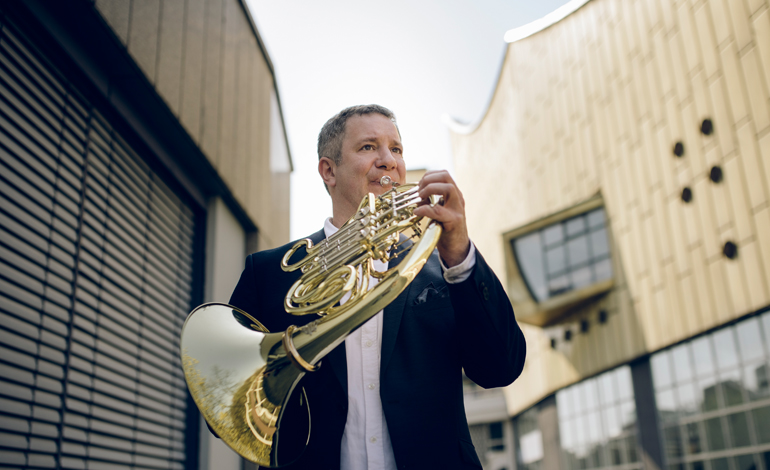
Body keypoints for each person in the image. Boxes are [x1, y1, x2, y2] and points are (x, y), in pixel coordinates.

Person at [229, 104, 526, 469]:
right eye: (369, 147)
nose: (388, 161)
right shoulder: (270, 272)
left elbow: (501, 369)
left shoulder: (444, 266)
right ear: (328, 170)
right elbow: (232, 401)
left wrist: (461, 256)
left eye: (396, 149)